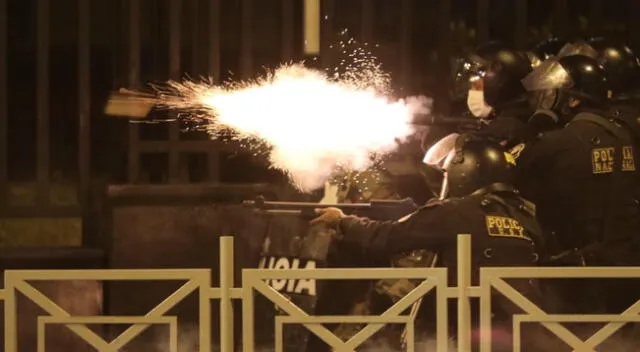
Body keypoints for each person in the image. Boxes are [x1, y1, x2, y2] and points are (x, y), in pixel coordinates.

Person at [311, 133, 552, 351]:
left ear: (465, 170)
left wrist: (343, 221)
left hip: (465, 332)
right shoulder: (525, 214)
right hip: (522, 331)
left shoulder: (456, 212)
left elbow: (387, 236)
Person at [516, 53, 640, 321]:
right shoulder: (625, 136)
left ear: (572, 99)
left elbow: (516, 184)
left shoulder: (556, 143)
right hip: (626, 269)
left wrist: (532, 131)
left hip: (573, 274)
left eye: (551, 95)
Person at [452, 41, 536, 148]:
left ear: (501, 81)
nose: (473, 84)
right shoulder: (489, 118)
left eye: (477, 83)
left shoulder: (513, 128)